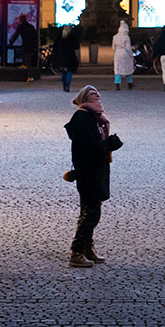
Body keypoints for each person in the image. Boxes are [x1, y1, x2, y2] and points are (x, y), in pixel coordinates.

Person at [65, 84, 111, 267]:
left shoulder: (95, 118)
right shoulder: (84, 119)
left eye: (98, 96)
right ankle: (76, 251)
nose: (97, 100)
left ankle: (86, 248)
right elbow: (91, 148)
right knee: (91, 214)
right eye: (93, 97)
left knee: (88, 211)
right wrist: (111, 144)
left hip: (94, 171)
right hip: (89, 172)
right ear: (85, 100)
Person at [52, 25, 81, 93]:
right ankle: (67, 85)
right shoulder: (72, 37)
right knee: (69, 71)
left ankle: (64, 85)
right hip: (70, 57)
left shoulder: (60, 37)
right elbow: (76, 46)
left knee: (63, 72)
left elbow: (55, 47)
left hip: (61, 57)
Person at [112, 20, 135, 90]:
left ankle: (117, 83)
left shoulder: (115, 37)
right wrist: (132, 55)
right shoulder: (126, 37)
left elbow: (113, 47)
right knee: (127, 68)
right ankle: (130, 82)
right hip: (125, 53)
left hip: (117, 53)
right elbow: (128, 47)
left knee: (117, 69)